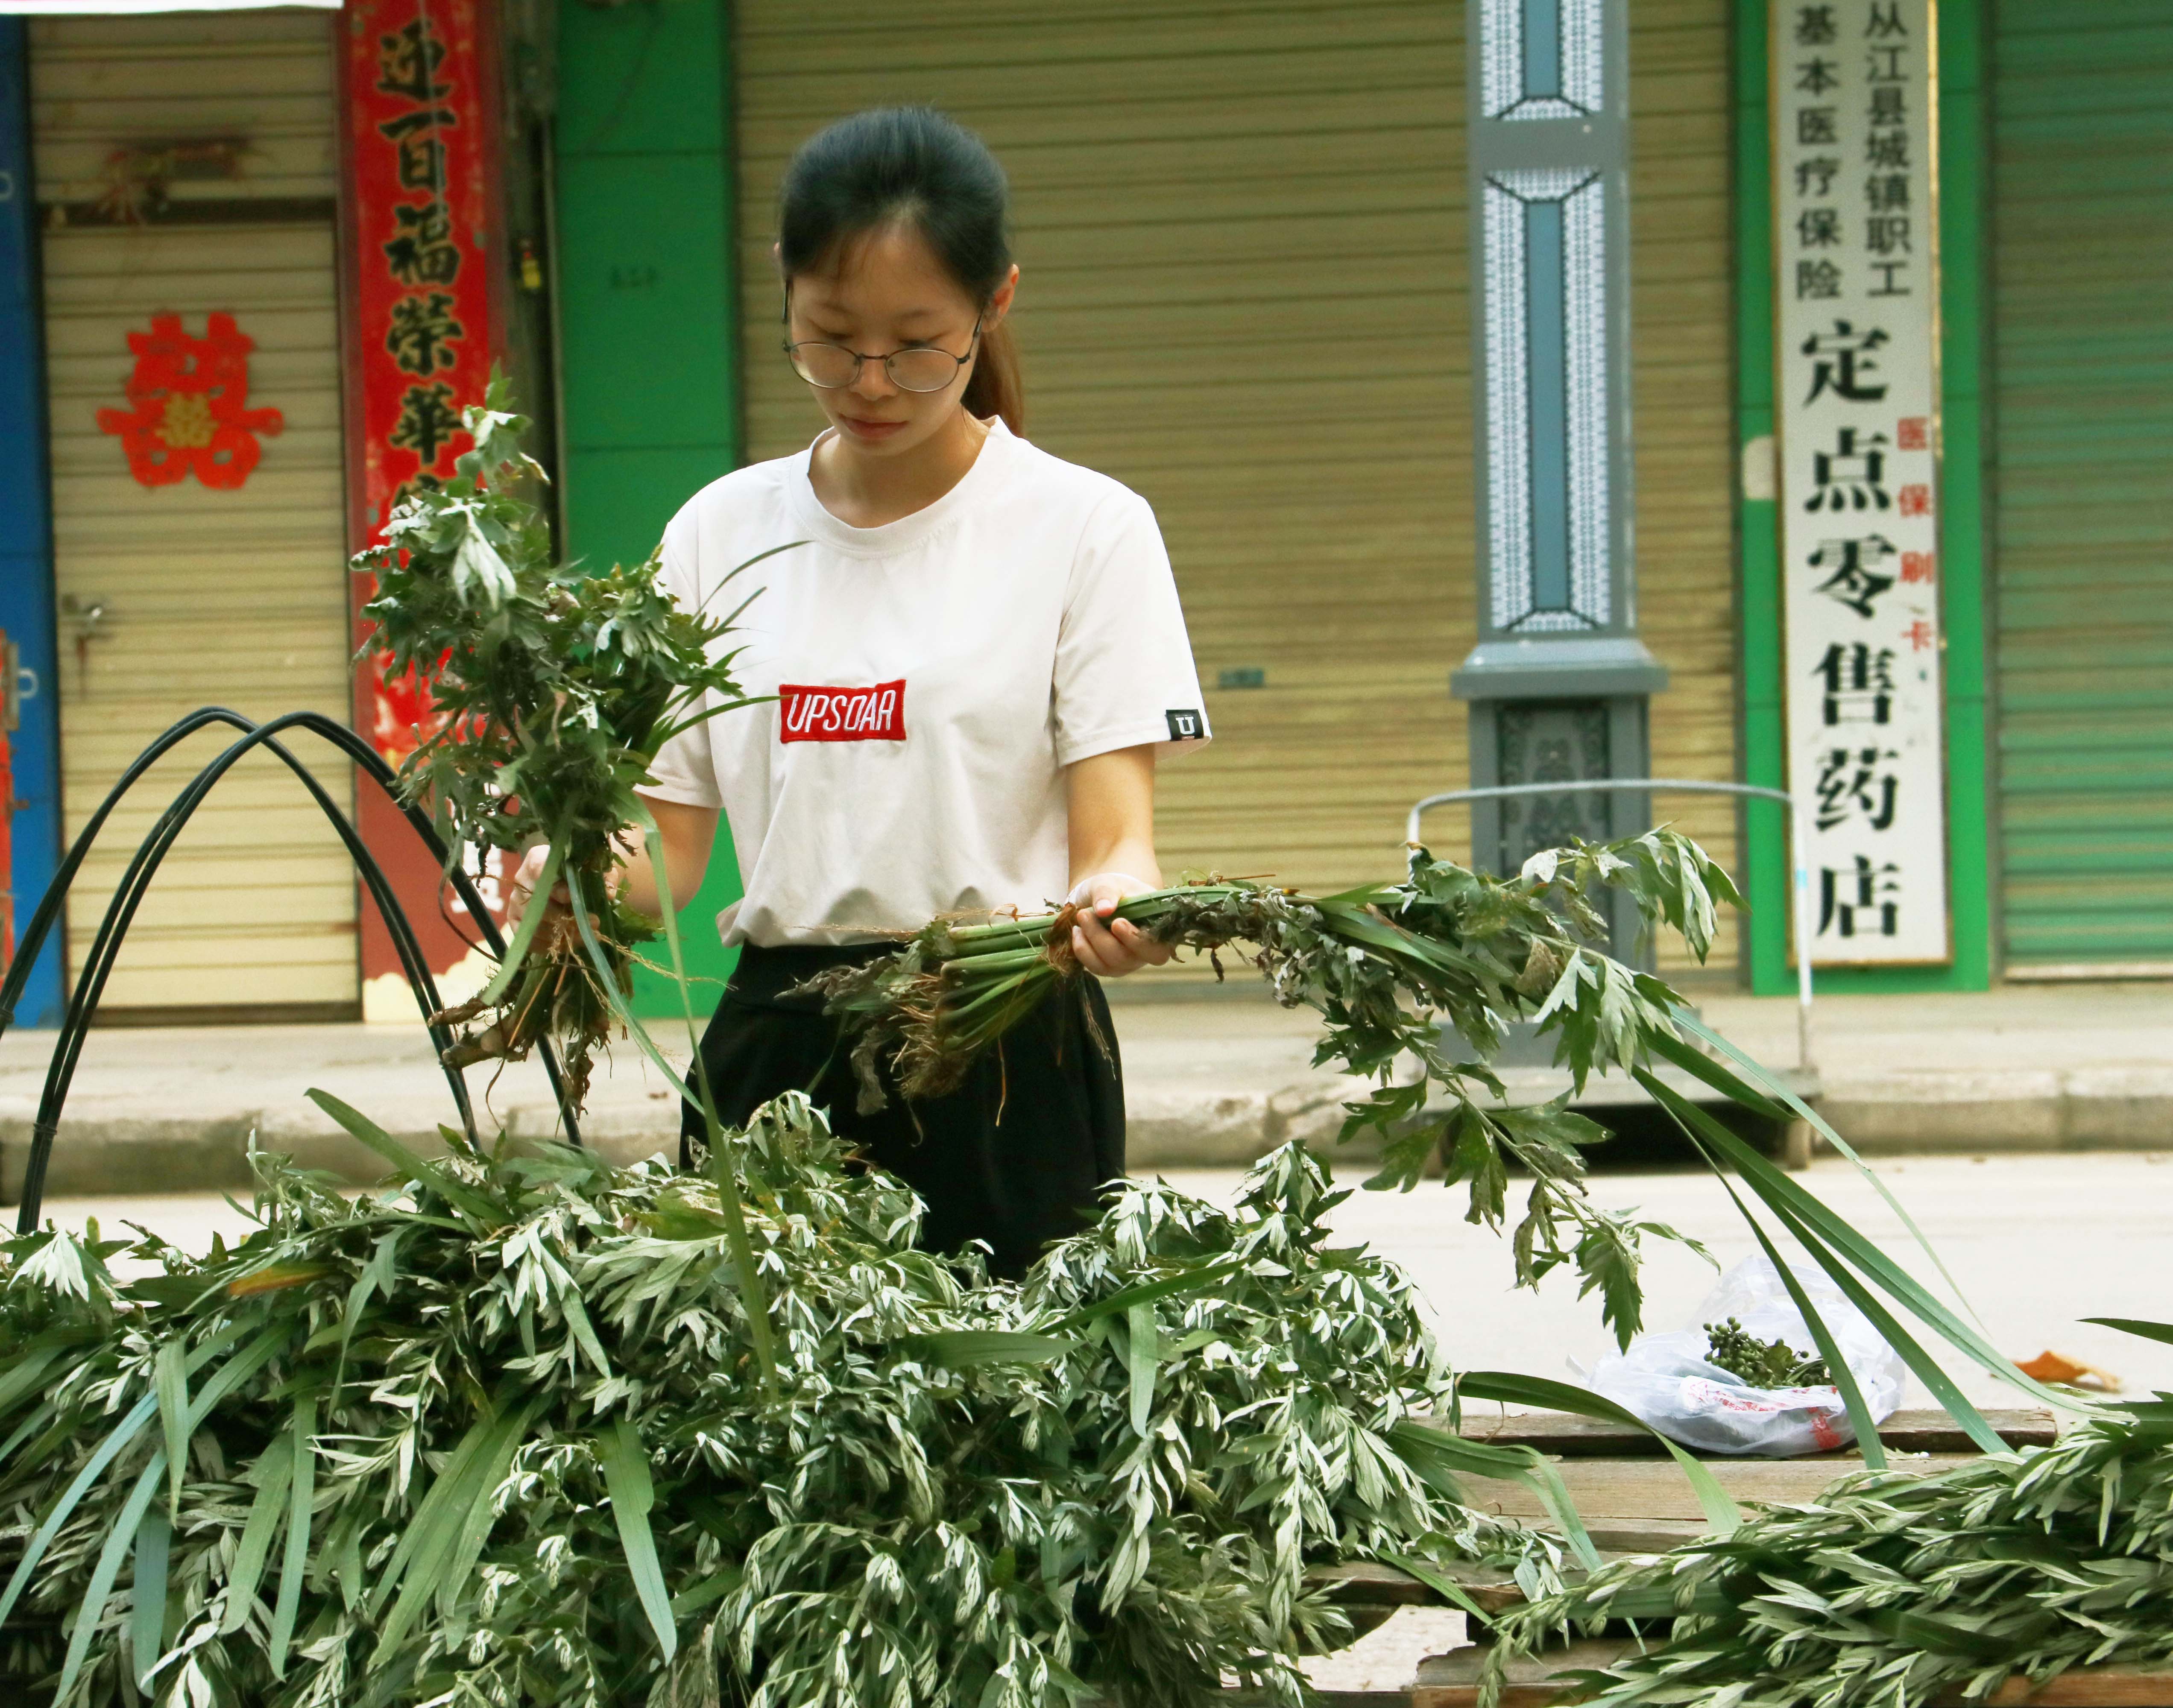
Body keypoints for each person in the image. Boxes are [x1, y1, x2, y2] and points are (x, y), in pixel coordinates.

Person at [512, 106, 1210, 1276]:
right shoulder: (718, 532)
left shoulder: (1087, 528)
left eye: (918, 344)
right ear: (784, 295)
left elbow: (1115, 842)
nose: (869, 381)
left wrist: (1122, 907)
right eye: (832, 339)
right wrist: (563, 881)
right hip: (778, 1057)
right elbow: (666, 859)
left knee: (1008, 1424)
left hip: (999, 1049)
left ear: (995, 308)